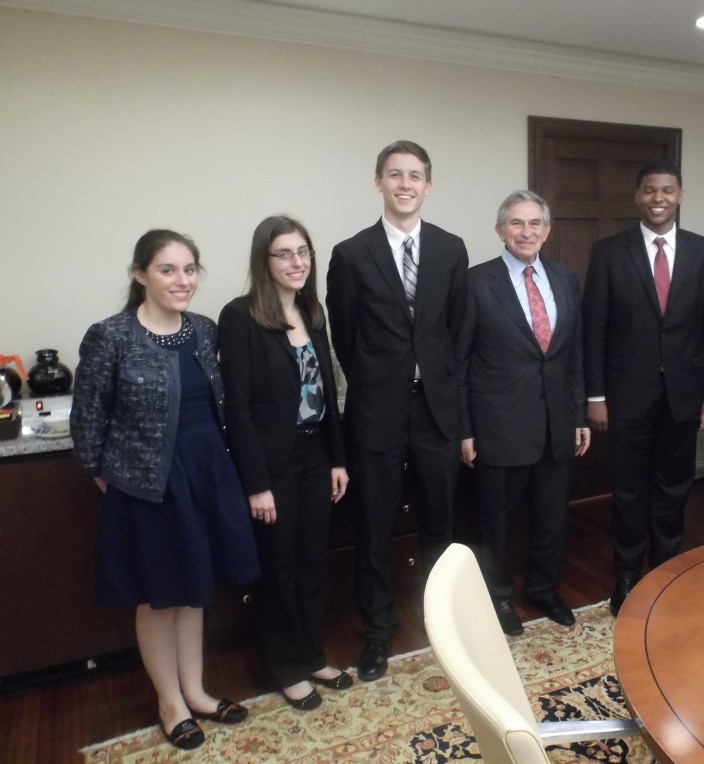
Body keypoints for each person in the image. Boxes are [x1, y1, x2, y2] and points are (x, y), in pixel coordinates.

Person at [70, 230, 260, 751]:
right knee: (160, 596)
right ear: (139, 275)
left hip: (205, 472)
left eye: (190, 269)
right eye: (168, 270)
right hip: (146, 484)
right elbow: (87, 425)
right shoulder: (110, 336)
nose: (183, 280)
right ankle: (169, 702)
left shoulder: (203, 329)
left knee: (195, 588)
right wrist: (113, 482)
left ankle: (195, 691)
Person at [326, 140, 467, 680]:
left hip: (436, 412)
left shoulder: (452, 249)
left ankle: (442, 626)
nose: (405, 184)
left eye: (415, 176)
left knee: (440, 523)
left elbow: (456, 329)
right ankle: (378, 633)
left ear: (428, 186)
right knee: (374, 527)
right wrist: (379, 382)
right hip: (375, 414)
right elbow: (344, 334)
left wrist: (439, 380)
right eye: (394, 174)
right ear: (378, 182)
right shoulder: (351, 254)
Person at [583, 161, 704, 617]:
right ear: (637, 197)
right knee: (627, 488)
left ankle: (665, 568)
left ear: (680, 195)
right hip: (626, 394)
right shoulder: (609, 252)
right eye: (649, 191)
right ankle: (626, 573)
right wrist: (596, 395)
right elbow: (594, 330)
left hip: (684, 395)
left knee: (673, 486)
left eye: (666, 190)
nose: (658, 198)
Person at [218, 216, 350, 711]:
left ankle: (311, 653)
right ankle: (285, 666)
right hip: (273, 464)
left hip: (317, 456)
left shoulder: (313, 314)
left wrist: (338, 459)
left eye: (303, 252)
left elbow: (328, 396)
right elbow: (239, 408)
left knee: (313, 560)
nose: (297, 262)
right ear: (264, 261)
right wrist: (256, 484)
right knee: (280, 566)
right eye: (284, 254)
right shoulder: (240, 317)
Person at [456, 190, 589, 636]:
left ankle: (543, 588)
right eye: (516, 223)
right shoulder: (476, 282)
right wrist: (465, 429)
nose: (526, 231)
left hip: (557, 424)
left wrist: (578, 417)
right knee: (496, 523)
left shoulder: (566, 279)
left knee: (552, 517)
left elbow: (572, 355)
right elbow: (458, 362)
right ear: (500, 231)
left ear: (547, 230)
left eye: (535, 223)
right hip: (498, 426)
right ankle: (497, 597)